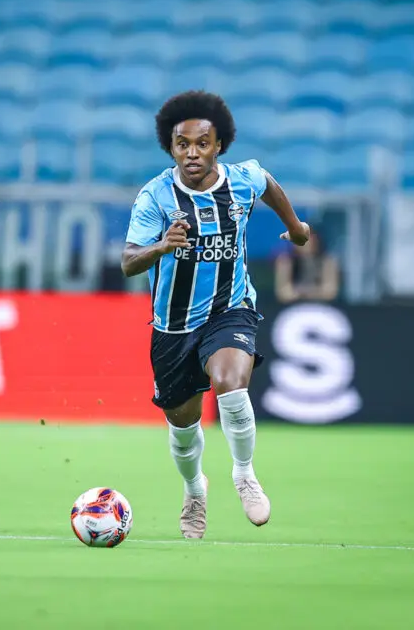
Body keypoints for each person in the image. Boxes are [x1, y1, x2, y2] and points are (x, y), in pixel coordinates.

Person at [120, 90, 310, 540]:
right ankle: (194, 491)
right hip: (173, 325)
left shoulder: (241, 180)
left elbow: (266, 182)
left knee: (230, 383)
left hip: (230, 309)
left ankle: (244, 473)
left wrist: (296, 227)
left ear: (218, 145)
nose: (192, 153)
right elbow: (128, 261)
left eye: (202, 143)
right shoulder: (155, 196)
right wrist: (162, 246)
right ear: (170, 147)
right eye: (182, 144)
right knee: (183, 425)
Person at [274, 227, 340, 303]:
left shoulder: (327, 261)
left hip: (321, 306)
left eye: (309, 239)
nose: (306, 243)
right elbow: (283, 293)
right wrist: (313, 292)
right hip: (293, 307)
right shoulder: (286, 261)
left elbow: (330, 292)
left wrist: (305, 293)